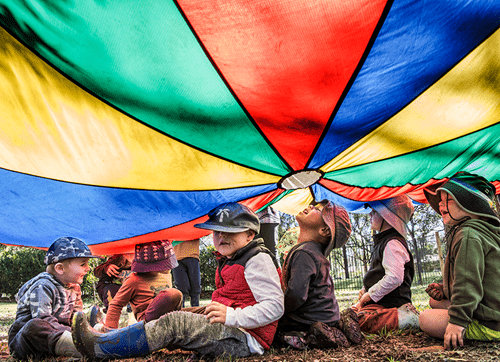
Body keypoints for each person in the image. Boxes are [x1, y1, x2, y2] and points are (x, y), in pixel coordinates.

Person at [72, 202, 284, 359]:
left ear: (249, 234)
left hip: (247, 339)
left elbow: (275, 306)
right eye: (217, 232)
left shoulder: (257, 260)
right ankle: (112, 334)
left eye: (229, 231)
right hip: (233, 327)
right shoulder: (233, 258)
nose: (221, 237)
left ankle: (101, 347)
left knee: (176, 322)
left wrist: (233, 316)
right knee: (178, 315)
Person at [419, 171, 500, 350]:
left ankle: (473, 328)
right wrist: (446, 290)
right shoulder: (483, 232)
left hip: (491, 323)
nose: (440, 204)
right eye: (440, 199)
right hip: (490, 306)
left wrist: (457, 322)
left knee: (425, 318)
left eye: (448, 199)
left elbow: (468, 282)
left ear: (470, 203)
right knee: (435, 302)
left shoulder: (468, 235)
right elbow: (480, 277)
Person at [278, 200, 362, 349]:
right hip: (327, 316)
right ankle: (339, 324)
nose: (310, 206)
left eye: (317, 209)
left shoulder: (304, 253)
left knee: (276, 333)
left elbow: (296, 295)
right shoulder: (314, 252)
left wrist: (278, 311)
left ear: (324, 231)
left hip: (307, 320)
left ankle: (310, 337)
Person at [8, 237, 100, 360]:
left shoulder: (75, 288)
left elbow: (75, 319)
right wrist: (77, 333)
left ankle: (96, 337)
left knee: (85, 319)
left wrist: (82, 327)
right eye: (83, 264)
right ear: (60, 268)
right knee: (35, 326)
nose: (88, 268)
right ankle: (88, 349)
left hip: (58, 339)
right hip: (26, 344)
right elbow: (43, 319)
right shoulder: (43, 286)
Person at [352, 195, 419, 334]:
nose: (370, 214)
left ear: (388, 216)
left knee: (361, 320)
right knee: (349, 315)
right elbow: (379, 274)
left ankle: (404, 318)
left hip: (391, 303)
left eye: (375, 211)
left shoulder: (392, 243)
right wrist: (366, 289)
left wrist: (370, 295)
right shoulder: (383, 241)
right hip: (380, 302)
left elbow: (394, 277)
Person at [96, 240, 182, 330]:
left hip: (167, 315)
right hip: (146, 318)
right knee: (173, 294)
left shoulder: (165, 274)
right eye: (129, 253)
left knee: (196, 312)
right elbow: (116, 304)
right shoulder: (130, 274)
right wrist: (110, 332)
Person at [172, 238, 202, 307]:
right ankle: (181, 311)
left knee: (195, 287)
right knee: (181, 287)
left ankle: (196, 310)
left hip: (193, 255)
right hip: (177, 258)